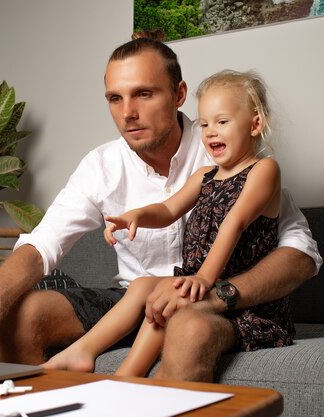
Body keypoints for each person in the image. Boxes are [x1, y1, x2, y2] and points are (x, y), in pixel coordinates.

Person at [0, 30, 322, 382]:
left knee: (190, 326)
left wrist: (214, 293)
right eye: (115, 98)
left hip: (210, 297)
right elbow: (42, 243)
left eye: (144, 94)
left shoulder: (230, 160)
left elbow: (301, 255)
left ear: (179, 94)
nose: (127, 113)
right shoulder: (102, 166)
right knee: (20, 316)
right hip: (131, 299)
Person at [43, 70, 287, 377]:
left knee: (172, 298)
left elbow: (233, 223)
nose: (211, 132)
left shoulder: (264, 170)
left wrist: (202, 278)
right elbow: (168, 209)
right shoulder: (204, 176)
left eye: (222, 122)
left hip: (238, 298)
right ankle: (86, 353)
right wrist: (137, 216)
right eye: (206, 124)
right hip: (199, 280)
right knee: (146, 286)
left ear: (255, 124)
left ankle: (126, 376)